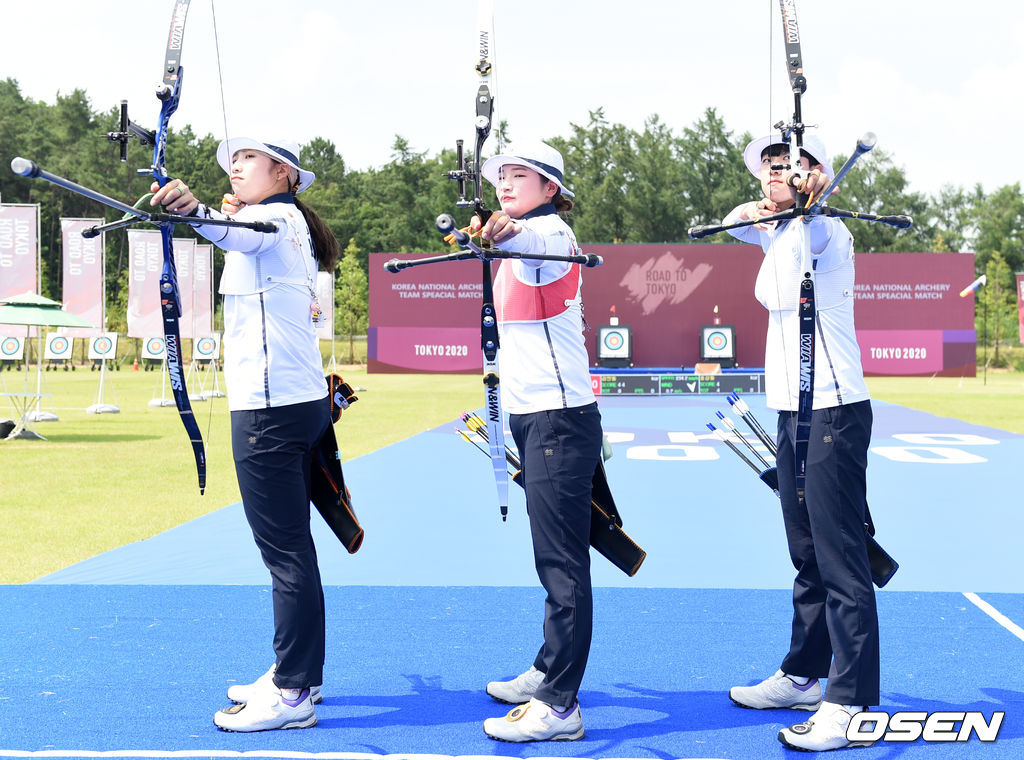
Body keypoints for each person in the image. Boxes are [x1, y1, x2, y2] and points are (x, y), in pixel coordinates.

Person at [150, 137, 339, 733]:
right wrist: (211, 217)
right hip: (294, 401)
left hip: (270, 411)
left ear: (282, 172)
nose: (234, 167)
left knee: (284, 552)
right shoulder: (284, 221)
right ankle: (296, 670)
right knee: (291, 549)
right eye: (231, 161)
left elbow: (243, 233)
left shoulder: (277, 218)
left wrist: (192, 210)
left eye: (247, 159)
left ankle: (293, 691)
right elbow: (240, 231)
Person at [721, 133, 879, 752]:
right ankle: (805, 675)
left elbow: (811, 226)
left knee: (841, 558)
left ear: (817, 176)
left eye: (787, 165)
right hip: (791, 410)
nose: (773, 175)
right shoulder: (778, 230)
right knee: (807, 549)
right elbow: (736, 223)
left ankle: (851, 702)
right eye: (767, 168)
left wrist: (809, 201)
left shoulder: (823, 231)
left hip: (834, 410)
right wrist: (771, 208)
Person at [468, 141, 602, 743]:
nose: (505, 182)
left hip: (557, 418)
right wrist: (499, 235)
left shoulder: (546, 234)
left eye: (520, 175)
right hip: (538, 416)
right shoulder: (524, 239)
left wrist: (500, 233)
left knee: (562, 562)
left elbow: (527, 241)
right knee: (553, 555)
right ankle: (550, 667)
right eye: (500, 175)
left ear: (550, 188)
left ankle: (560, 704)